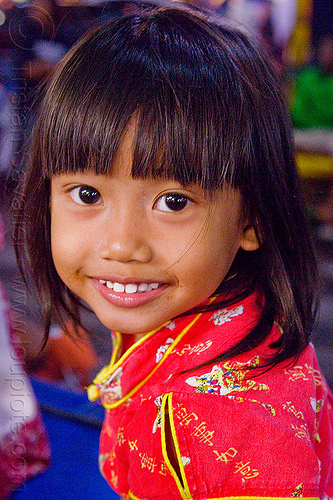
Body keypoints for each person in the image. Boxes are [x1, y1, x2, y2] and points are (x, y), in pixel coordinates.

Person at [13, 5, 333, 499]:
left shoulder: (238, 424)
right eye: (87, 194)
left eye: (173, 201)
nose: (121, 245)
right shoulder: (199, 306)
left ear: (254, 218)